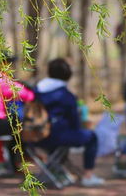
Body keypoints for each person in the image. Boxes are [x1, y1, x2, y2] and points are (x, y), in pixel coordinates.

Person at [35, 58, 105, 187]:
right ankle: (88, 176)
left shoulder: (36, 91)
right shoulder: (66, 95)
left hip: (34, 137)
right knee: (91, 136)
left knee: (60, 140)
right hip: (55, 137)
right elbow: (75, 123)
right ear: (67, 74)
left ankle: (55, 170)